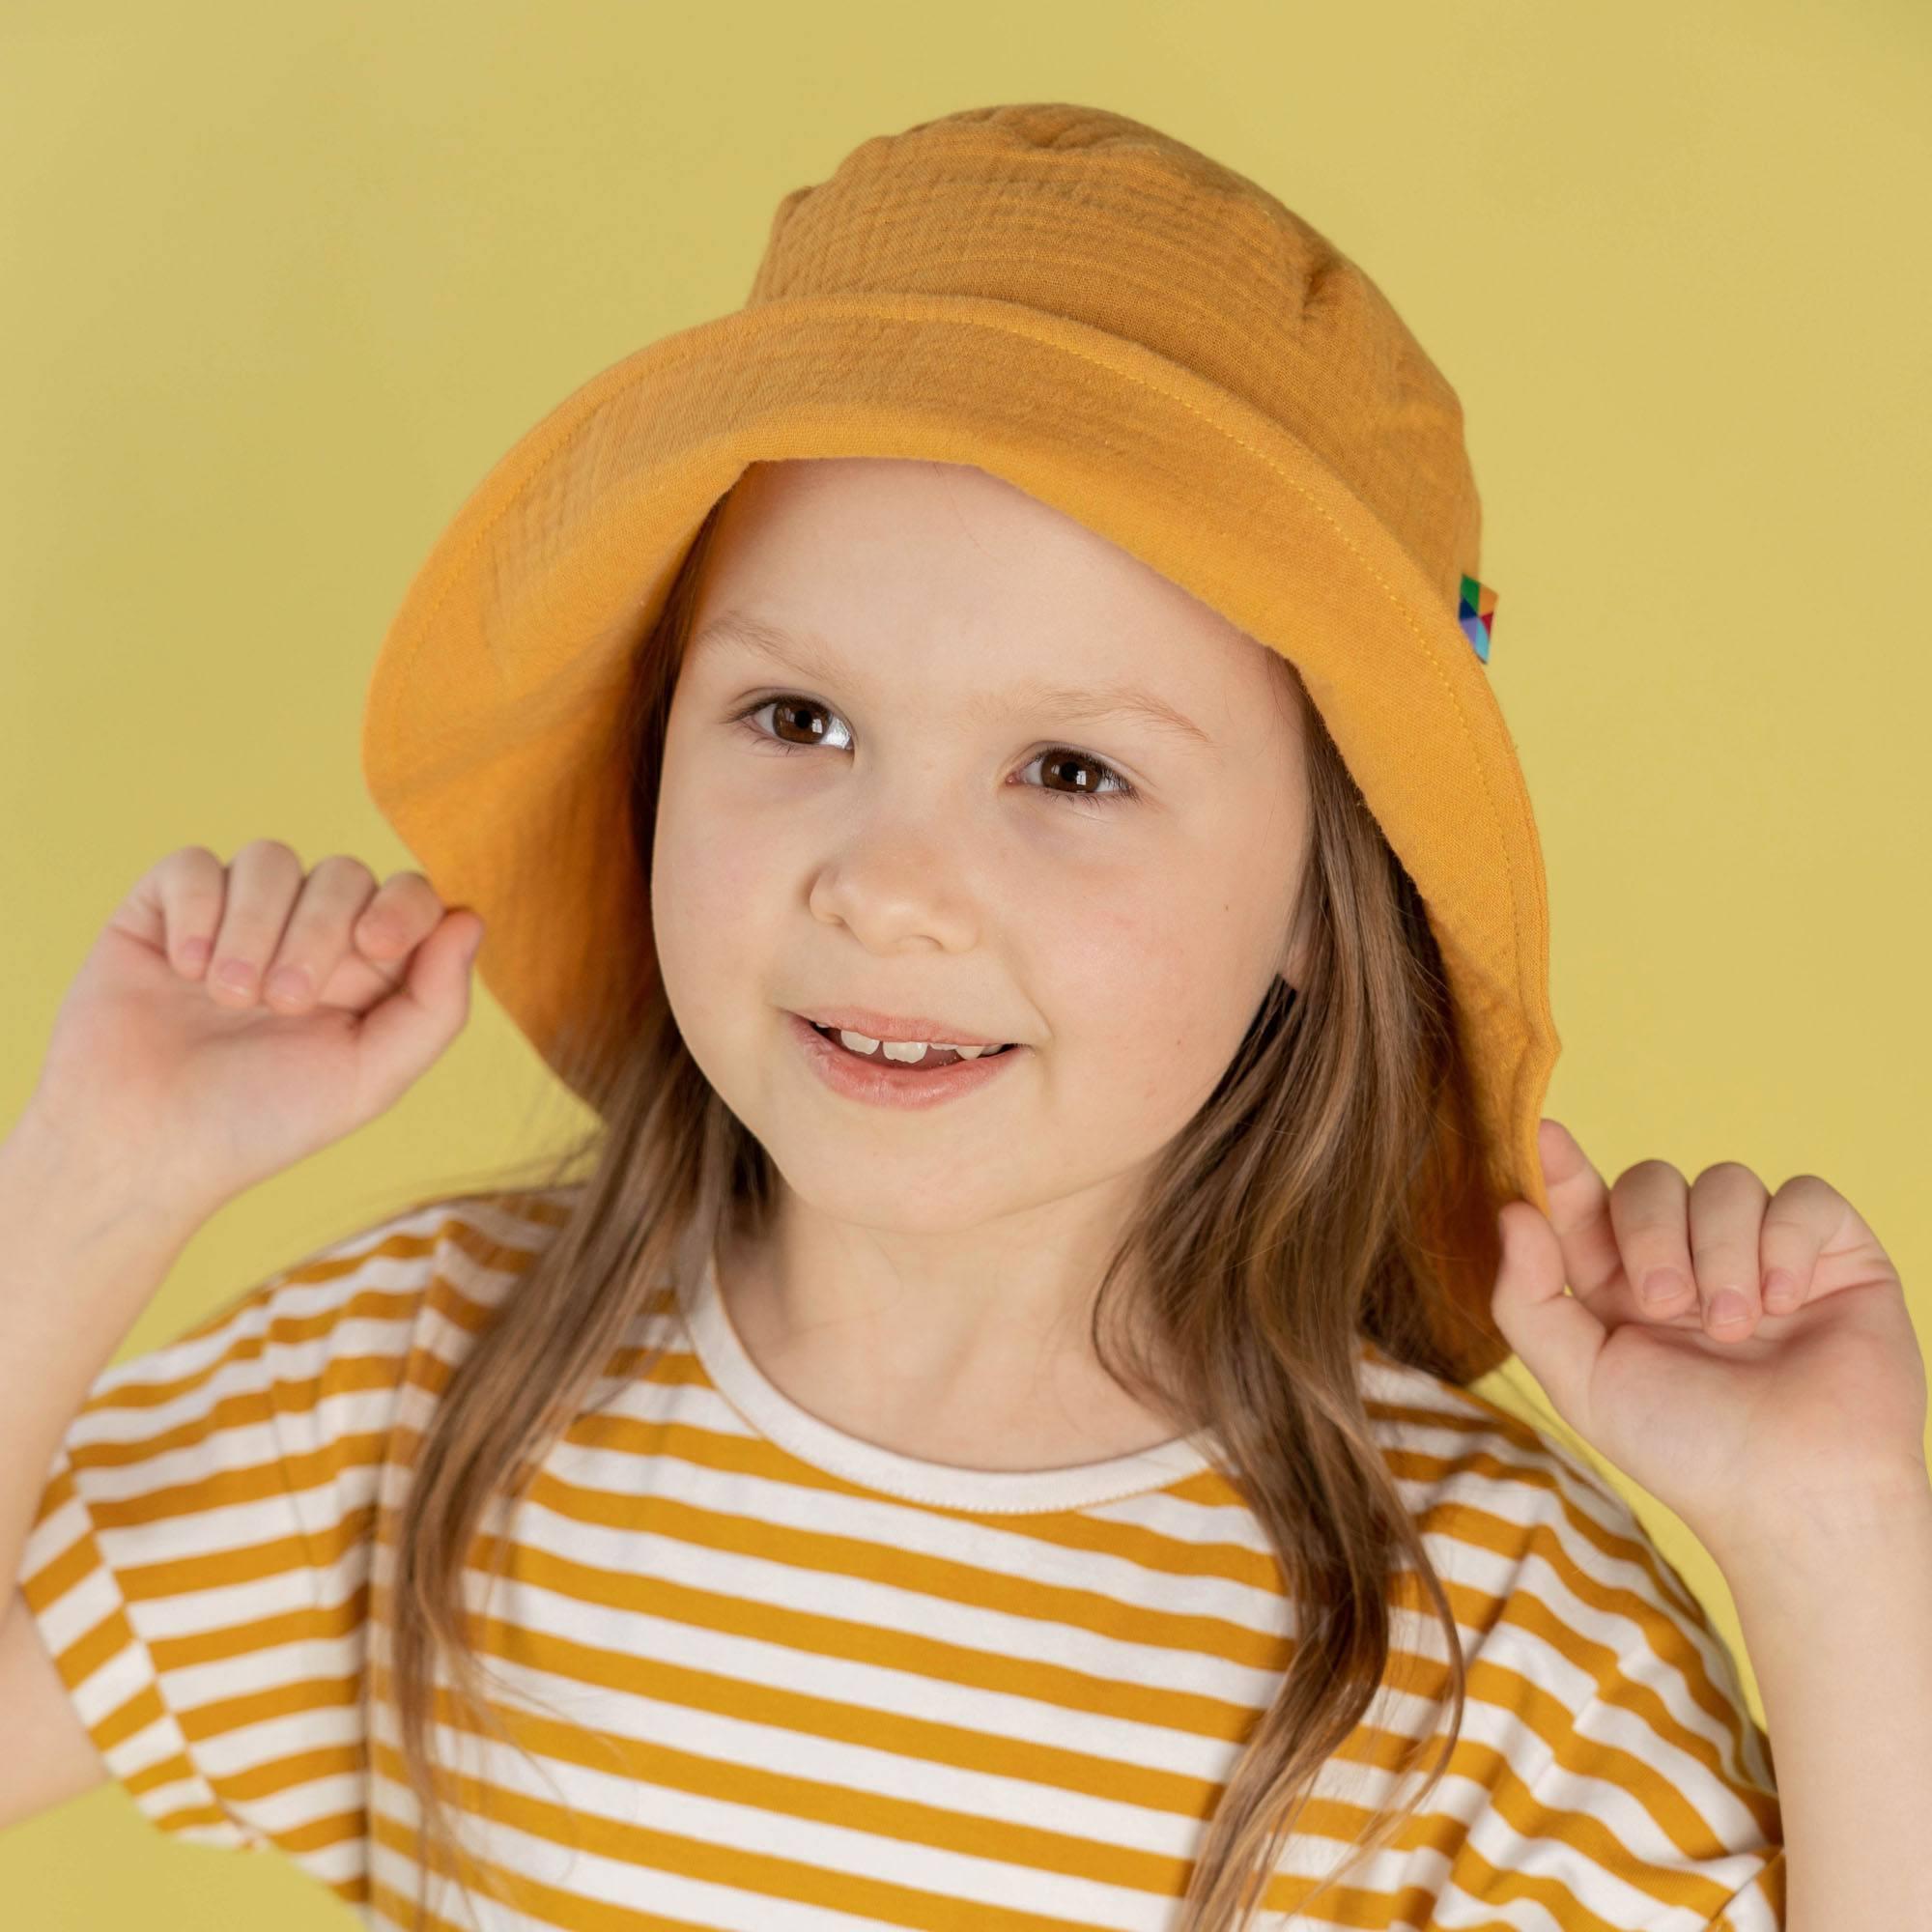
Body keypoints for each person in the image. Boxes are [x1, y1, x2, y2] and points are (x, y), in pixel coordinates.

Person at [0, 103, 1792, 1930]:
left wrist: (1840, 1552)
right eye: (798, 721)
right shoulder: (418, 1391)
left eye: (1072, 768)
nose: (889, 885)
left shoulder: (1499, 1648)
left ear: (1323, 911)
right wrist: (90, 1181)